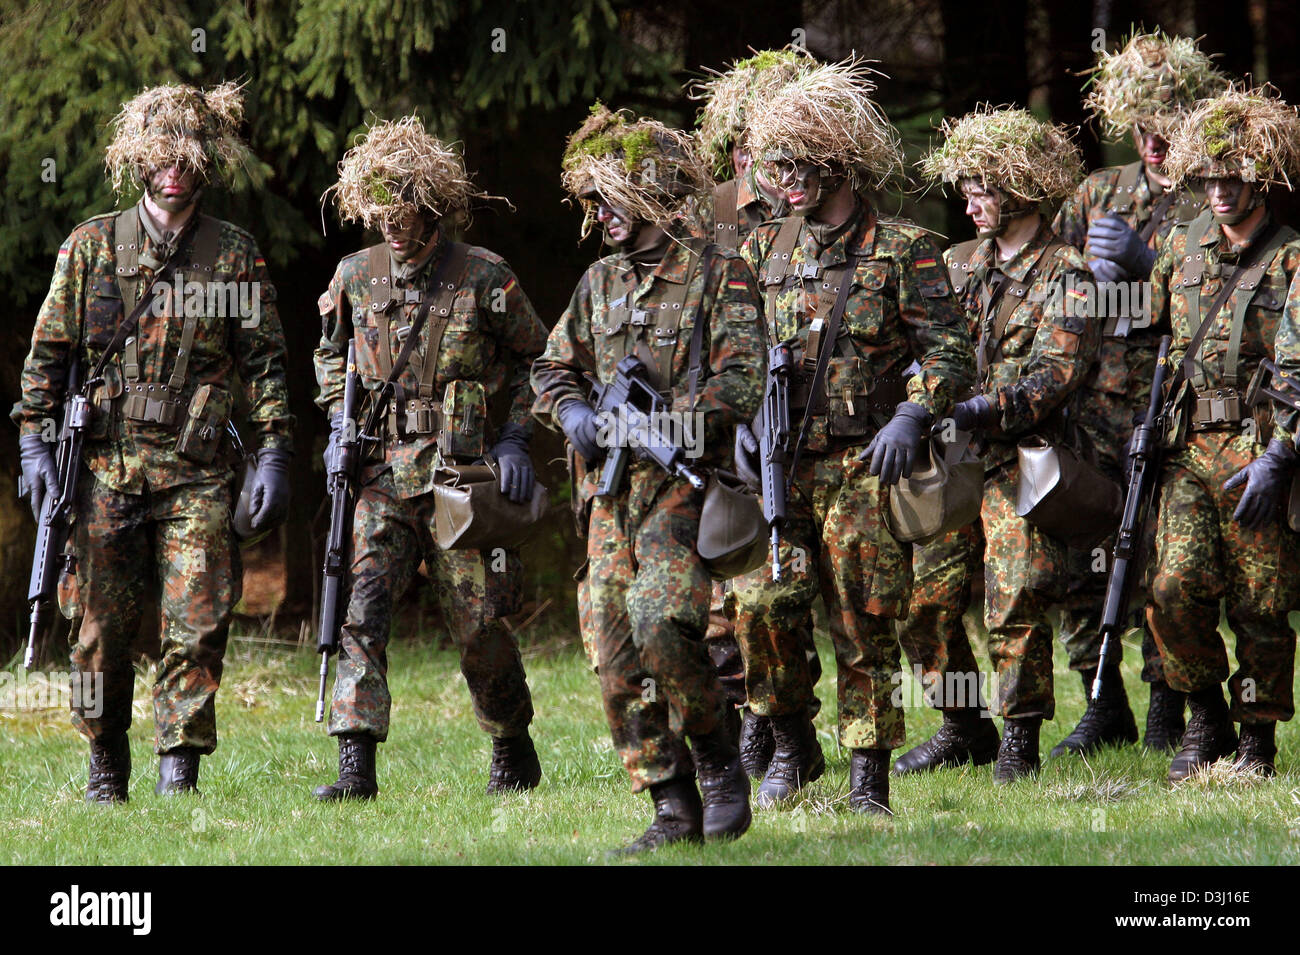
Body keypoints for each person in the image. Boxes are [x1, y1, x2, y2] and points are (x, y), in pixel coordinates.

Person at [14, 82, 293, 801]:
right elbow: (45, 361)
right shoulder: (90, 248)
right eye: (161, 157)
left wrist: (273, 453)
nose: (175, 171)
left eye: (189, 159)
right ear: (137, 161)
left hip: (197, 470)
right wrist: (35, 450)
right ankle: (105, 761)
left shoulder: (232, 255)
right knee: (98, 627)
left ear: (208, 165)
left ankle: (180, 770)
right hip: (104, 468)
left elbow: (263, 362)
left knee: (197, 620)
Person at [733, 58, 976, 810]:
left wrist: (914, 410)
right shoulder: (760, 252)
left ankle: (868, 771)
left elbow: (949, 347)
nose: (786, 180)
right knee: (762, 607)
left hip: (863, 463)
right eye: (776, 167)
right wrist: (736, 420)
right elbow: (732, 352)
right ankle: (791, 740)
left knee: (865, 618)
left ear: (838, 163)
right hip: (779, 462)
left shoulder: (905, 248)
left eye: (800, 166)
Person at [532, 105, 766, 854]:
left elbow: (743, 380)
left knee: (663, 624)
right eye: (594, 201)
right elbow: (551, 366)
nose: (602, 216)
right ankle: (669, 802)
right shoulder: (598, 283)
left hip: (684, 488)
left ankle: (719, 758)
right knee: (611, 646)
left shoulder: (718, 275)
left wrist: (669, 421)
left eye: (615, 199)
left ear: (659, 196)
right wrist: (571, 412)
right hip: (608, 496)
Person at [312, 116, 547, 800]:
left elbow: (543, 360)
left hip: (460, 477)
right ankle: (354, 765)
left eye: (407, 213)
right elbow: (329, 354)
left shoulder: (483, 276)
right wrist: (339, 418)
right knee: (361, 607)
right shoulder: (354, 275)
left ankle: (511, 744)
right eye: (382, 212)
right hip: (380, 472)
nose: (395, 226)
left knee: (481, 623)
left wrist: (514, 437)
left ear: (433, 209)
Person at [1051, 30, 1228, 755]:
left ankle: (1166, 700)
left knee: (1158, 552)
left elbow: (1221, 295)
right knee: (1075, 550)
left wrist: (1147, 260)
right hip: (1091, 401)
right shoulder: (1098, 191)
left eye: (1168, 125)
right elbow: (1052, 279)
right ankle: (1102, 698)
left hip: (1167, 403)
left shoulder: (1215, 193)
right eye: (1143, 127)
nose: (1154, 141)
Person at [916, 105, 1099, 782]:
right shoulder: (956, 262)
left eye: (982, 187)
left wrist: (976, 407)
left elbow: (1054, 377)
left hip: (1024, 459)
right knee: (924, 597)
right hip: (954, 458)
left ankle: (1019, 734)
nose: (969, 200)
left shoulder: (1069, 274)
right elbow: (923, 347)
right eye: (964, 187)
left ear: (1020, 188)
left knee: (1015, 592)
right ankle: (962, 724)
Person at [1147, 86, 1300, 781]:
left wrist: (1281, 455)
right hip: (1186, 447)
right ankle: (1204, 713)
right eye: (1210, 178)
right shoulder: (1181, 247)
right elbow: (1145, 332)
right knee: (1175, 587)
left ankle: (1255, 741)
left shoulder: (1291, 258)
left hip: (1258, 444)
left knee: (1260, 601)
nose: (1220, 190)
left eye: (1234, 177)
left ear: (1262, 177)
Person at [692, 45, 818, 777]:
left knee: (785, 584)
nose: (757, 159)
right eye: (746, 143)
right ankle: (748, 723)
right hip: (724, 418)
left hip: (803, 417)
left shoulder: (815, 211)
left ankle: (788, 730)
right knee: (723, 587)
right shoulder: (708, 214)